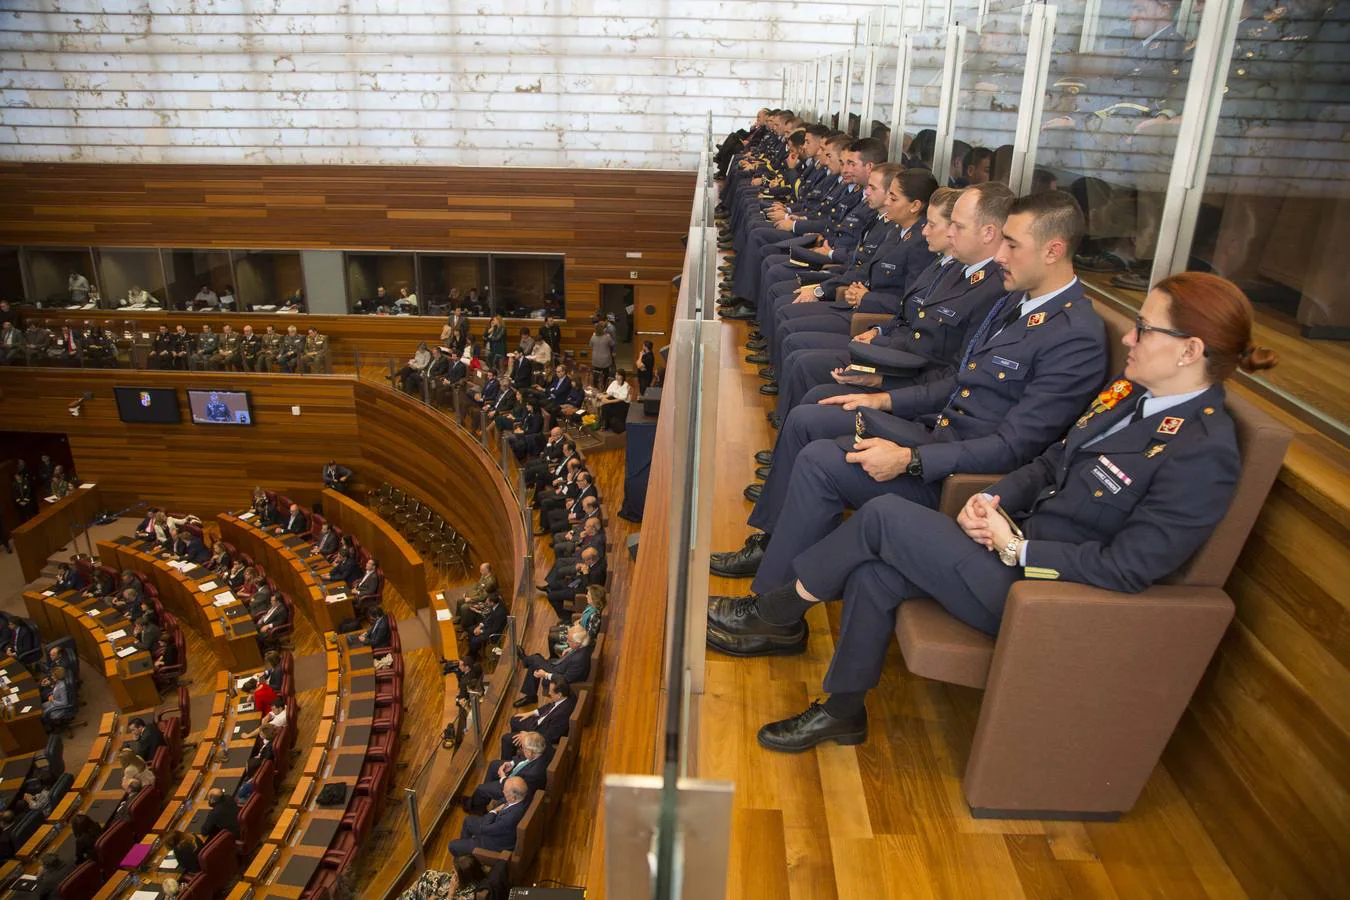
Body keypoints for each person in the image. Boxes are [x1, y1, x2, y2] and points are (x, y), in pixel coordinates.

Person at [717, 272, 1280, 752]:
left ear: (1190, 349)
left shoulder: (1203, 452)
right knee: (877, 570)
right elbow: (1050, 463)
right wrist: (994, 499)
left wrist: (1021, 549)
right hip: (1007, 545)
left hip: (1048, 595)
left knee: (886, 515)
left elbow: (1130, 567)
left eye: (1146, 329)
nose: (1129, 337)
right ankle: (843, 711)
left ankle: (777, 609)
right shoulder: (1127, 398)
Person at [718, 189, 1109, 594]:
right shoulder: (1019, 305)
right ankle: (775, 551)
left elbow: (1015, 447)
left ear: (1053, 250)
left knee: (822, 459)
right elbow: (961, 380)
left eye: (1012, 244)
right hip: (935, 429)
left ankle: (772, 603)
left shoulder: (1074, 337)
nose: (1002, 256)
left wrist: (912, 458)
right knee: (814, 419)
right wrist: (883, 398)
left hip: (960, 471)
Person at [465, 731, 551, 813]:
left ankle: (475, 808)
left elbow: (517, 789)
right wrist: (511, 763)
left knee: (481, 789)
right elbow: (524, 758)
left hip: (514, 789)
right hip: (517, 773)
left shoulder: (534, 773)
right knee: (494, 765)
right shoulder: (539, 748)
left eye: (523, 748)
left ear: (531, 753)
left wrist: (503, 778)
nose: (521, 749)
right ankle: (485, 797)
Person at [514, 625, 592, 707]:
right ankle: (531, 696)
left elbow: (564, 679)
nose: (567, 642)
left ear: (577, 643)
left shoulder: (579, 659)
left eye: (569, 640)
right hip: (562, 666)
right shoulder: (583, 645)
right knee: (535, 662)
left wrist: (545, 675)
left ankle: (524, 660)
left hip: (560, 676)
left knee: (535, 659)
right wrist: (572, 649)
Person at [447, 777, 528, 856]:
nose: (502, 791)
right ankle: (466, 851)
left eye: (505, 791)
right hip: (500, 830)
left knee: (452, 846)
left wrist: (494, 811)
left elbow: (485, 828)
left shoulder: (509, 818)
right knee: (468, 820)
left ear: (513, 797)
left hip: (495, 843)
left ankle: (464, 857)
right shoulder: (522, 799)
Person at [500, 677, 575, 757]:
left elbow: (551, 736)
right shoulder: (567, 696)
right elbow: (549, 706)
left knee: (506, 739)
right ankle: (518, 747)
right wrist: (530, 713)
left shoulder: (561, 714)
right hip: (541, 723)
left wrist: (528, 736)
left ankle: (508, 763)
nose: (549, 693)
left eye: (551, 691)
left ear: (559, 695)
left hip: (541, 734)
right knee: (515, 719)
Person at [466, 593, 507, 659]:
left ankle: (473, 656)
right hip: (489, 625)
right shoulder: (495, 604)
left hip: (494, 633)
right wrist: (480, 626)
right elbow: (489, 617)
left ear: (492, 603)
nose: (486, 602)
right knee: (470, 629)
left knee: (474, 641)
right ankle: (474, 650)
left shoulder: (500, 613)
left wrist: (481, 631)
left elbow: (495, 629)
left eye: (488, 601)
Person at [587, 321, 616, 388]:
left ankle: (595, 387)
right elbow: (612, 344)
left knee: (596, 374)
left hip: (596, 360)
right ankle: (604, 386)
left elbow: (590, 345)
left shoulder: (593, 337)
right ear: (603, 329)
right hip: (605, 360)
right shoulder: (607, 337)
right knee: (606, 373)